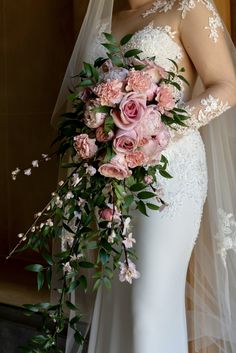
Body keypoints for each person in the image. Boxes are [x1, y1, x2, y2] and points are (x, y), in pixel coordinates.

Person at [51, 1, 236, 352]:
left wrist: (153, 128)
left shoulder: (188, 8)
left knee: (148, 308)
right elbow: (78, 102)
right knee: (120, 299)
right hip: (111, 176)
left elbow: (226, 85)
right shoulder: (108, 18)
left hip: (170, 174)